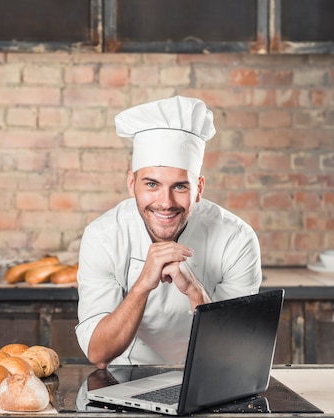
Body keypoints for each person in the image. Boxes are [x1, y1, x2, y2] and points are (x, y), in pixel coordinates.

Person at [75, 96, 262, 369]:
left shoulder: (236, 239)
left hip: (208, 371)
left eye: (180, 186)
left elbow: (234, 349)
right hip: (126, 375)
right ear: (131, 183)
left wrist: (195, 291)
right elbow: (98, 354)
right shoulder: (103, 236)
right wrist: (142, 285)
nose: (165, 202)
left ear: (199, 188)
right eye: (151, 184)